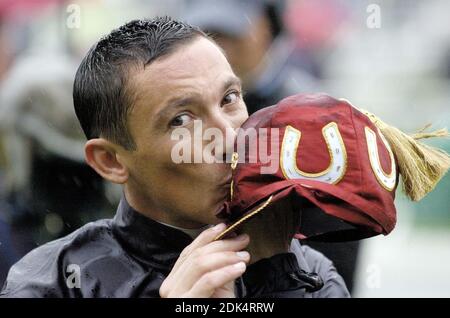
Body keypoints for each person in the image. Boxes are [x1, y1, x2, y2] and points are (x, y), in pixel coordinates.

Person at [0, 17, 348, 298]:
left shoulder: (307, 273)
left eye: (229, 98)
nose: (229, 137)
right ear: (111, 161)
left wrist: (277, 281)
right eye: (181, 120)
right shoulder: (52, 284)